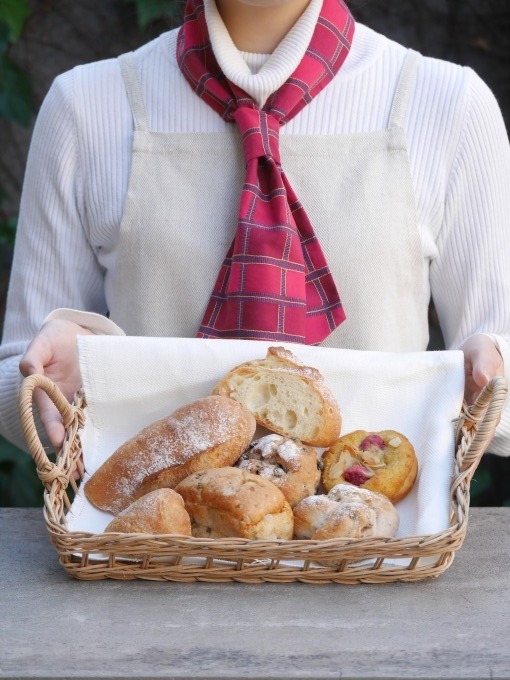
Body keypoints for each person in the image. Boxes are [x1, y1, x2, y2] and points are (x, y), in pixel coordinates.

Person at [0, 0, 508, 456]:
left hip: (379, 548)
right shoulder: (86, 107)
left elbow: (500, 390)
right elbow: (12, 390)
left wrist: (481, 385)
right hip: (155, 548)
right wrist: (71, 378)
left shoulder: (448, 107)